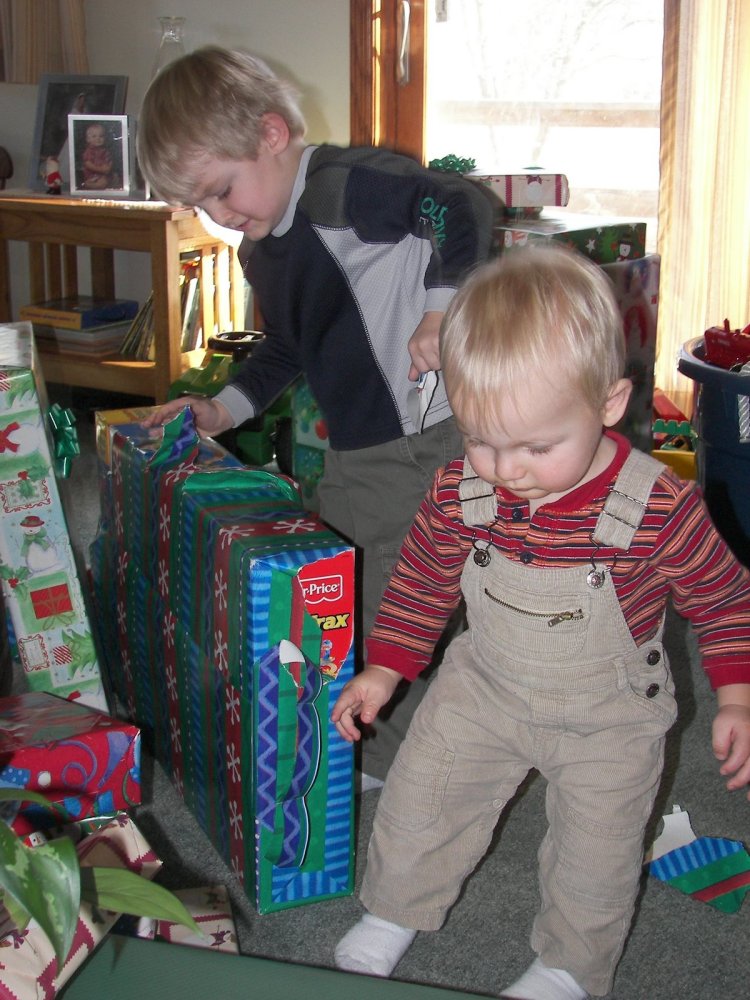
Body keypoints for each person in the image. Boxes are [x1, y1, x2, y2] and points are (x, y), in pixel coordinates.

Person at [332, 245, 750, 999]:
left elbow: (724, 600)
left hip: (608, 717)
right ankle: (395, 910)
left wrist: (737, 696)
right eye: (479, 437)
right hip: (485, 687)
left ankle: (567, 967)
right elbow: (423, 577)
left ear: (609, 406)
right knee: (421, 798)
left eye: (535, 446)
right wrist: (386, 666)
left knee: (597, 853)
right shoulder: (464, 486)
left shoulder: (657, 506)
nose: (505, 468)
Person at [135, 46, 493, 782]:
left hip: (424, 432)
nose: (221, 216)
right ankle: (375, 724)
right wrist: (218, 408)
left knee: (391, 602)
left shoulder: (342, 188)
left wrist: (440, 307)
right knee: (335, 583)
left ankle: (395, 769)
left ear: (271, 135)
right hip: (360, 448)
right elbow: (286, 349)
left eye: (223, 190)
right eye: (203, 205)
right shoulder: (263, 249)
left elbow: (462, 206)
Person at [80, 122, 114, 190]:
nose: (98, 139)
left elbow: (109, 161)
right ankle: (90, 185)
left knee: (112, 178)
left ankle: (100, 185)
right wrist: (101, 169)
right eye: (94, 136)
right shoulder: (89, 151)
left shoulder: (105, 151)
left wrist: (108, 167)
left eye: (101, 136)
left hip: (103, 174)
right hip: (92, 175)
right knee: (103, 182)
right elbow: (88, 164)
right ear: (88, 139)